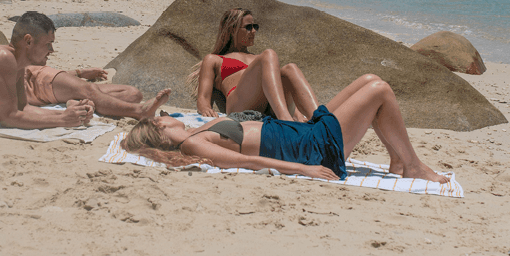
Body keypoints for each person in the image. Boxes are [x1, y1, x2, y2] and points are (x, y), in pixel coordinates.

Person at [125, 73, 447, 183]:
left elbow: (140, 125)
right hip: (311, 149)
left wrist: (148, 114)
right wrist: (301, 170)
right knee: (379, 90)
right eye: (157, 121)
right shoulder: (192, 145)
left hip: (304, 133)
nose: (161, 117)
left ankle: (398, 160)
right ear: (160, 133)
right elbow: (248, 162)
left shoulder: (199, 129)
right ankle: (414, 166)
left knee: (367, 81)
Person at [0, 41, 171, 120]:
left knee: (132, 92)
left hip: (48, 87)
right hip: (44, 81)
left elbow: (53, 79)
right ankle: (139, 112)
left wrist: (81, 73)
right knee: (95, 93)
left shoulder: (2, 70)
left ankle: (80, 103)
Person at [190, 7, 319, 122]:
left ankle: (321, 120)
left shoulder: (259, 59)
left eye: (255, 27)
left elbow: (277, 88)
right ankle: (285, 119)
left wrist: (296, 113)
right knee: (269, 54)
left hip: (267, 106)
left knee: (291, 68)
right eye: (248, 27)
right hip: (238, 105)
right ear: (232, 29)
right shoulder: (214, 59)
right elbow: (203, 98)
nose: (253, 31)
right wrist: (205, 108)